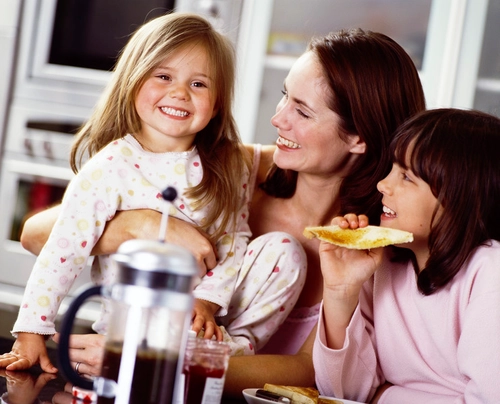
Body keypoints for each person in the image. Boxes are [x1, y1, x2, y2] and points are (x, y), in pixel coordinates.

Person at [19, 28, 426, 394]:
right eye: (285, 95)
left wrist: (164, 366)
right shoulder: (227, 168)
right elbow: (38, 234)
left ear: (358, 138)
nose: (276, 118)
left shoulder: (371, 245)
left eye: (302, 111)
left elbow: (311, 371)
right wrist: (142, 224)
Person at [0, 12, 306, 374]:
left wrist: (207, 302)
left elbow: (232, 240)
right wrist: (32, 329)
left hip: (206, 323)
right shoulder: (109, 168)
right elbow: (61, 252)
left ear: (219, 102)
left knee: (285, 251)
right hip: (134, 325)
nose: (179, 93)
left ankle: (232, 351)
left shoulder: (229, 166)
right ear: (133, 81)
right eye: (163, 77)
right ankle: (192, 358)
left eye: (199, 84)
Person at [314, 108, 500, 403]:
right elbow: (343, 394)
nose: (382, 185)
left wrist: (386, 396)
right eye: (391, 169)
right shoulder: (380, 264)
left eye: (406, 177)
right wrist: (340, 292)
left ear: (459, 197)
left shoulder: (490, 273)